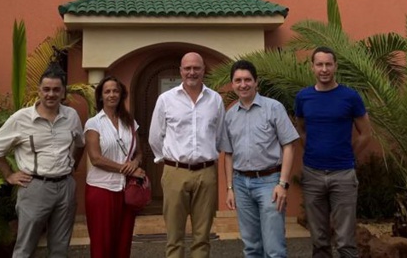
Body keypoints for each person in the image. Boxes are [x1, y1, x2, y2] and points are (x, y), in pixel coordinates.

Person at [0, 67, 85, 258]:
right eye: (46, 89)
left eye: (56, 90)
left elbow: (80, 143)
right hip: (35, 187)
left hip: (65, 187)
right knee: (25, 247)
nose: (51, 94)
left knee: (60, 247)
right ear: (39, 91)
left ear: (63, 92)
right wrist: (9, 175)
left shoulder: (71, 116)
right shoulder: (21, 119)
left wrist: (72, 166)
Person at [295, 47, 372, 258]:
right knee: (319, 240)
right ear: (312, 67)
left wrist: (349, 155)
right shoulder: (303, 97)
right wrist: (313, 151)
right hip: (312, 174)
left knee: (346, 240)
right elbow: (301, 129)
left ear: (335, 66)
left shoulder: (350, 97)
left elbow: (365, 133)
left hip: (343, 175)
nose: (324, 69)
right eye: (319, 64)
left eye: (328, 64)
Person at [149, 52, 226, 258]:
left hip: (206, 173)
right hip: (175, 172)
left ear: (203, 71)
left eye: (196, 68)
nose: (192, 72)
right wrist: (165, 161)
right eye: (187, 68)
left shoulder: (215, 99)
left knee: (202, 237)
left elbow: (219, 135)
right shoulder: (166, 99)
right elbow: (155, 136)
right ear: (181, 71)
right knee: (174, 236)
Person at [221, 60, 299, 258]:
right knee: (251, 247)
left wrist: (283, 183)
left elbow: (289, 145)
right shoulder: (230, 116)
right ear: (232, 84)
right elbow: (228, 154)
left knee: (274, 249)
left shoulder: (274, 108)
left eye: (248, 79)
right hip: (240, 184)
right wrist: (229, 189)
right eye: (238, 80)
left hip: (270, 182)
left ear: (256, 82)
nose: (243, 84)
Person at [83, 76, 145, 258]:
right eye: (107, 91)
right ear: (101, 96)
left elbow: (139, 153)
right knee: (102, 244)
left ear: (121, 94)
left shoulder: (130, 122)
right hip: (101, 190)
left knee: (123, 243)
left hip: (127, 191)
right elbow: (95, 158)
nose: (112, 94)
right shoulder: (94, 123)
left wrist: (135, 163)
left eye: (115, 91)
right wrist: (126, 169)